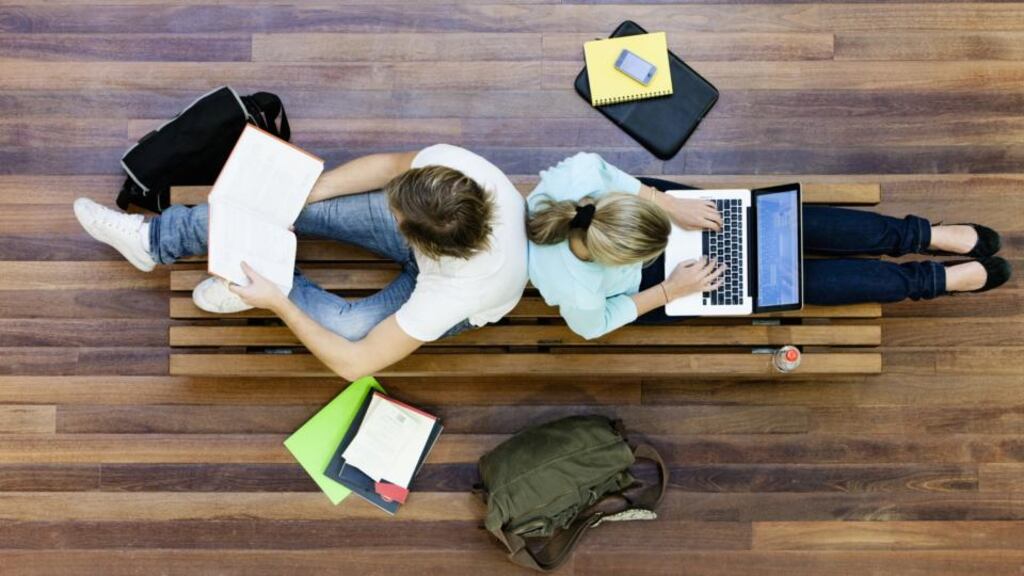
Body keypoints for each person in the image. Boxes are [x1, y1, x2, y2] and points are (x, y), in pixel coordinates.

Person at [74, 144, 528, 380]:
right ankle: (152, 241)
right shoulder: (454, 172)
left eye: (395, 213)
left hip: (456, 293)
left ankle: (263, 285)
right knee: (283, 204)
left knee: (350, 329)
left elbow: (356, 363)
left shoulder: (455, 293)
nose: (387, 206)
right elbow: (392, 164)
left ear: (415, 237)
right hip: (444, 245)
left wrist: (279, 303)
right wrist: (311, 194)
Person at [527, 152, 1012, 340]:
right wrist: (671, 290)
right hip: (656, 285)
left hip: (659, 210)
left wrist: (668, 205)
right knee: (786, 284)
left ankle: (920, 235)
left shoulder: (576, 181)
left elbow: (610, 175)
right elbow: (594, 325)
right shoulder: (575, 290)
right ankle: (927, 280)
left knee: (784, 225)